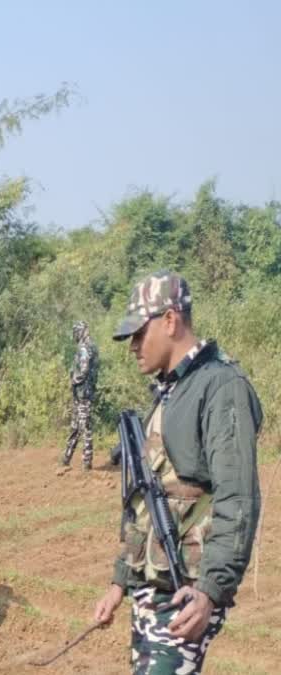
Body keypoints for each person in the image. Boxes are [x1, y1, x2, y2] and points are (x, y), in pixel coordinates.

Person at [92, 271, 262, 674]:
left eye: (138, 333)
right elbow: (149, 500)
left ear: (170, 320)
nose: (133, 346)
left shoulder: (221, 387)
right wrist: (120, 582)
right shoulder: (172, 390)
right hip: (153, 589)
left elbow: (237, 499)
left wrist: (210, 591)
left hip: (185, 596)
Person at [61, 320, 99, 470]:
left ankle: (86, 462)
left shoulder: (84, 348)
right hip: (86, 392)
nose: (75, 335)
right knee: (75, 425)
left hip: (82, 392)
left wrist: (73, 380)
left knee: (84, 427)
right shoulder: (93, 347)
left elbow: (83, 371)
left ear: (80, 332)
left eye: (76, 332)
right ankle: (66, 457)